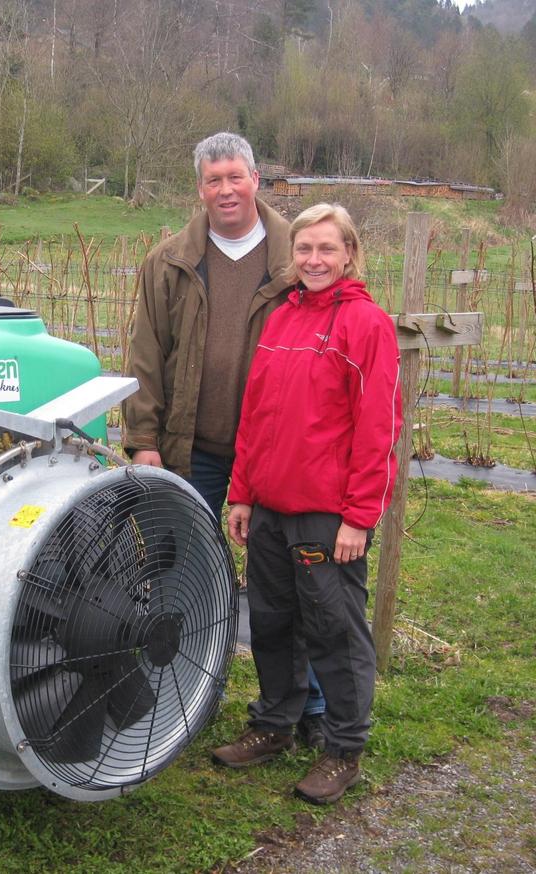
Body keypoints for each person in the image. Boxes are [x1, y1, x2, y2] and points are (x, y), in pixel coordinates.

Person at [122, 131, 326, 747]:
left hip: (276, 452)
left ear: (256, 180)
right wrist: (143, 439)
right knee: (181, 571)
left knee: (292, 580)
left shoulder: (299, 255)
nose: (226, 190)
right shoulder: (170, 260)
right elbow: (146, 355)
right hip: (193, 451)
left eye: (236, 176)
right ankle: (182, 692)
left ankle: (310, 706)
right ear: (200, 188)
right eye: (214, 180)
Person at [211, 203, 403, 806]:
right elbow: (256, 416)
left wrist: (358, 517)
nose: (314, 260)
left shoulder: (366, 324)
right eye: (304, 249)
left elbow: (378, 429)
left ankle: (343, 748)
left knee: (334, 631)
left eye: (326, 249)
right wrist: (242, 494)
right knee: (270, 621)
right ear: (292, 255)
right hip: (268, 506)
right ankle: (274, 723)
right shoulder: (282, 319)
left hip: (325, 514)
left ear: (349, 253)